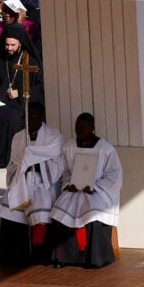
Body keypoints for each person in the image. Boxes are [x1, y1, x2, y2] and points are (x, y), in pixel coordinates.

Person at [48, 113, 123, 268]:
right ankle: (62, 258)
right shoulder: (69, 147)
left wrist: (95, 187)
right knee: (58, 212)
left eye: (82, 127)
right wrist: (69, 184)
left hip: (97, 192)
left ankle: (94, 259)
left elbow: (114, 176)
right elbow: (65, 171)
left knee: (92, 212)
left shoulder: (105, 149)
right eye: (77, 127)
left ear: (92, 127)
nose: (79, 131)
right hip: (74, 191)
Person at [0, 101, 66, 270]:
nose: (28, 121)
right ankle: (14, 254)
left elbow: (57, 163)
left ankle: (39, 254)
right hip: (22, 180)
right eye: (25, 117)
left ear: (41, 117)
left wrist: (34, 163)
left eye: (32, 117)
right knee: (9, 209)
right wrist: (22, 169)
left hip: (44, 181)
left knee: (41, 205)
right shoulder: (18, 137)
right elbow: (13, 163)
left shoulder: (53, 136)